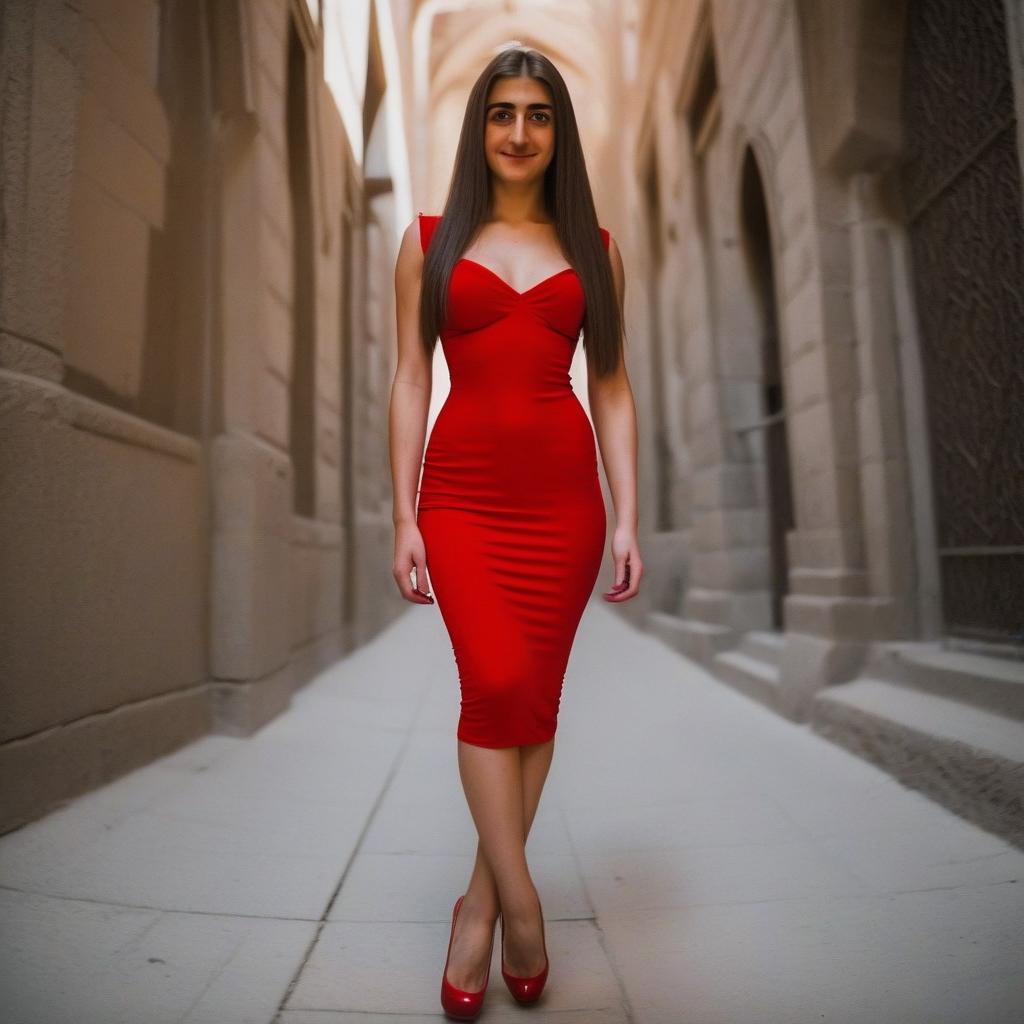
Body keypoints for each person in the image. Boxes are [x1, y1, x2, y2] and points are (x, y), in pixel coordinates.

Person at [388, 44, 642, 1020]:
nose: (519, 131)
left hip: (563, 505)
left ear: (557, 132)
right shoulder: (428, 238)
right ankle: (519, 903)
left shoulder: (597, 249)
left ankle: (476, 904)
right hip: (459, 498)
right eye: (502, 112)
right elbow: (412, 377)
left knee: (529, 701)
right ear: (479, 126)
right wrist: (402, 511)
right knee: (492, 685)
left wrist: (627, 514)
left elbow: (612, 387)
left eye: (538, 114)